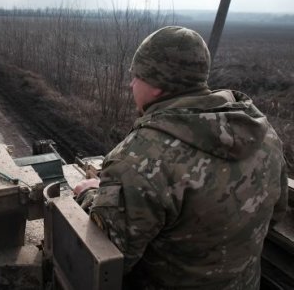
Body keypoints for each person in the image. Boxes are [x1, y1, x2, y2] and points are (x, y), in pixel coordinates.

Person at [74, 26, 288, 289]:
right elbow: (275, 212)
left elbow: (111, 256)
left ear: (155, 84)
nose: (131, 84)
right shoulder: (264, 135)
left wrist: (89, 196)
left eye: (136, 76)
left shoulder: (138, 159)